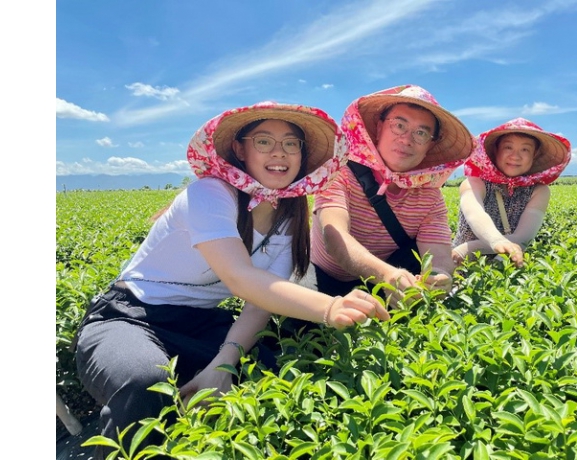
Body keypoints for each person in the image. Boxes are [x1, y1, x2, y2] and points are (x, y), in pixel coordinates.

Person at [74, 101, 389, 458]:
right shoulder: (211, 193)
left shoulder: (289, 211)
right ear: (240, 148)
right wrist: (331, 306)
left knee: (266, 369)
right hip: (129, 317)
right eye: (264, 141)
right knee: (146, 383)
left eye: (290, 143)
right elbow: (241, 279)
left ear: (302, 154)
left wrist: (223, 365)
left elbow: (260, 301)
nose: (279, 153)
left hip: (199, 322)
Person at [308, 84, 473, 303]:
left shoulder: (430, 197)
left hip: (384, 279)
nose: (406, 139)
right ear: (379, 128)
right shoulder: (339, 172)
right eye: (399, 125)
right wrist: (387, 275)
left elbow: (439, 256)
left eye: (421, 133)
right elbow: (335, 237)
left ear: (429, 146)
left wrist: (440, 276)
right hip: (325, 275)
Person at [452, 117, 571, 267]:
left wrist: (496, 256)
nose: (515, 156)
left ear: (534, 155)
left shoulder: (538, 191)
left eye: (525, 149)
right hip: (461, 262)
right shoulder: (475, 182)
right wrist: (495, 241)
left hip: (510, 263)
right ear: (496, 151)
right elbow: (475, 214)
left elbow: (523, 237)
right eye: (508, 147)